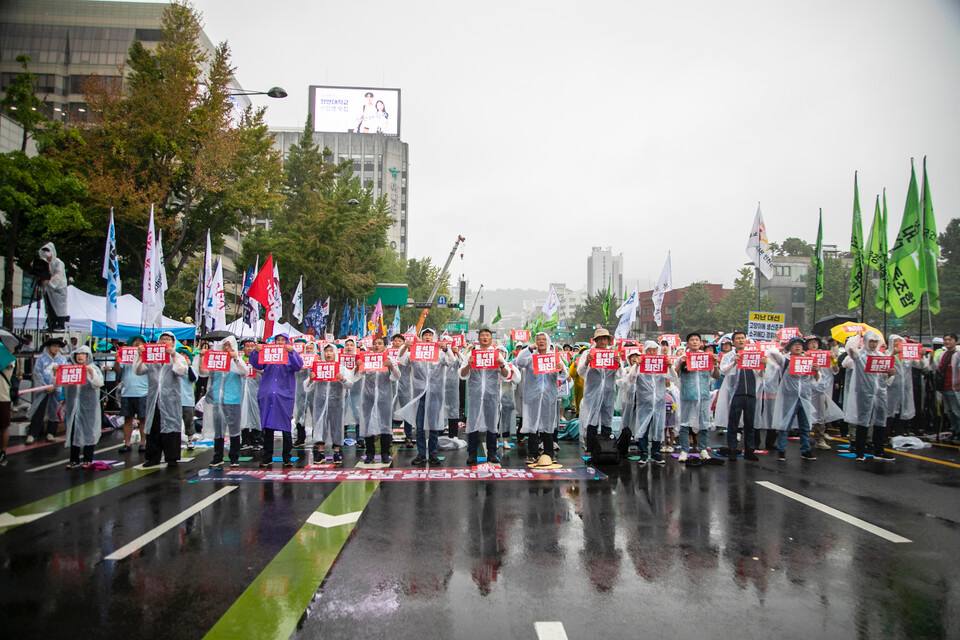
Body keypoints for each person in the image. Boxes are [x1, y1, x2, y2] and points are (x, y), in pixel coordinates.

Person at [396, 328, 456, 466]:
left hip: (435, 394)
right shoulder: (414, 352)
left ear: (434, 338)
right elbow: (401, 360)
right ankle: (421, 454)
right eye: (425, 335)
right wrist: (405, 346)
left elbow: (451, 362)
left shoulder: (440, 353)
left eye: (430, 335)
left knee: (434, 425)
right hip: (419, 395)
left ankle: (433, 454)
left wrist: (447, 349)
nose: (428, 337)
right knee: (420, 425)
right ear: (421, 338)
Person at [460, 328, 513, 466]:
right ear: (478, 338)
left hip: (491, 394)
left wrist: (501, 365)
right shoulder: (471, 354)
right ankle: (472, 454)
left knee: (492, 423)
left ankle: (492, 453)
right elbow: (462, 374)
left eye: (487, 335)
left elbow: (506, 374)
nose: (484, 337)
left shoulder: (496, 355)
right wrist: (469, 365)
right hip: (475, 394)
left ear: (491, 339)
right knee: (472, 423)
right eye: (482, 335)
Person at [249, 333, 303, 468]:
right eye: (277, 340)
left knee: (285, 427)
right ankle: (267, 456)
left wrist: (292, 353)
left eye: (283, 340)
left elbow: (298, 366)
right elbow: (256, 364)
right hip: (268, 394)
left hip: (284, 396)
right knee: (267, 426)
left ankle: (287, 457)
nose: (280, 343)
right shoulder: (269, 355)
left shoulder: (290, 355)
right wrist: (257, 351)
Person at [136, 332, 189, 467]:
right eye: (162, 339)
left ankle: (171, 457)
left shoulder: (177, 357)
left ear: (173, 342)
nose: (165, 341)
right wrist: (140, 355)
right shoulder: (151, 356)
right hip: (154, 398)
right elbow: (139, 370)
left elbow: (181, 371)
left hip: (170, 399)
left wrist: (173, 355)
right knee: (154, 427)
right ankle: (153, 457)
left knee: (171, 427)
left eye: (168, 339)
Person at [514, 332, 567, 464]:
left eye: (544, 339)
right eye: (538, 339)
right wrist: (529, 349)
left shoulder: (554, 357)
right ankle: (532, 454)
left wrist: (560, 370)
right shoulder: (531, 357)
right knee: (533, 425)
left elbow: (564, 375)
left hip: (549, 396)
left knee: (547, 425)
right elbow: (519, 362)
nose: (541, 341)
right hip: (533, 397)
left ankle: (549, 453)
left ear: (548, 341)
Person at [843, 332, 895, 461]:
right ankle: (860, 452)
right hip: (865, 393)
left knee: (881, 421)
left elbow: (885, 377)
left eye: (875, 342)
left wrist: (890, 373)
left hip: (880, 393)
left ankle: (879, 451)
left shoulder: (882, 356)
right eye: (871, 341)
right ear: (865, 341)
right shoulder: (860, 356)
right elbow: (850, 350)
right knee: (863, 421)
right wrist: (857, 337)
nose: (873, 344)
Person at [200, 336, 249, 468]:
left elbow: (245, 371)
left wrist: (235, 358)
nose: (226, 348)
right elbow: (203, 373)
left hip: (232, 399)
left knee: (234, 429)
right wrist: (202, 358)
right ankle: (218, 456)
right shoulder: (216, 360)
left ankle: (234, 457)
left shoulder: (236, 360)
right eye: (224, 345)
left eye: (229, 345)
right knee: (218, 430)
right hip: (217, 399)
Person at [767, 337, 819, 461]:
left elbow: (816, 379)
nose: (797, 347)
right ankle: (781, 450)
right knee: (785, 424)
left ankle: (805, 450)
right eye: (794, 345)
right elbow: (772, 353)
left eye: (800, 345)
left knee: (805, 426)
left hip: (805, 397)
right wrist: (781, 346)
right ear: (789, 347)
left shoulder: (808, 360)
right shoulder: (785, 360)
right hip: (789, 398)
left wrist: (816, 371)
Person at [715, 331, 764, 461]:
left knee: (750, 423)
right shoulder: (729, 355)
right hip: (735, 393)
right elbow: (723, 370)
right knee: (733, 422)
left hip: (751, 393)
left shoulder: (753, 355)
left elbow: (760, 373)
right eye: (738, 338)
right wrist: (734, 362)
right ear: (733, 341)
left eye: (743, 338)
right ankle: (732, 449)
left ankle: (749, 450)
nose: (741, 340)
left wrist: (763, 364)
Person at [52, 345, 103, 468]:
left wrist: (90, 372)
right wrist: (55, 372)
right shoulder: (70, 369)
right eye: (78, 354)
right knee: (74, 431)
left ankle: (88, 459)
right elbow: (57, 383)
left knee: (89, 432)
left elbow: (98, 383)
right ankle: (74, 460)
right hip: (73, 407)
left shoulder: (93, 368)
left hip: (89, 408)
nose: (80, 356)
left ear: (88, 356)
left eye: (83, 354)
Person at [622, 341, 670, 465]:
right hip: (644, 404)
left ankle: (656, 453)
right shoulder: (640, 365)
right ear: (645, 351)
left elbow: (670, 380)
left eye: (654, 350)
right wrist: (637, 366)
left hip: (659, 403)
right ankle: (643, 453)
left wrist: (669, 366)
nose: (652, 352)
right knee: (643, 428)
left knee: (658, 428)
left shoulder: (661, 365)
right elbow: (630, 380)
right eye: (649, 350)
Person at [306, 343, 355, 465]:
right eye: (326, 351)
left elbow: (350, 385)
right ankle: (320, 451)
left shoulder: (342, 368)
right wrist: (311, 379)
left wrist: (342, 379)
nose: (328, 354)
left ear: (335, 353)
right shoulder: (318, 367)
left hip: (337, 401)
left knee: (336, 425)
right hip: (320, 401)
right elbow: (307, 387)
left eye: (331, 351)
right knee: (319, 424)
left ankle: (337, 451)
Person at [577, 328, 621, 459]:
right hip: (592, 393)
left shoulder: (613, 354)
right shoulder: (587, 353)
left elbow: (621, 375)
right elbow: (580, 372)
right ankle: (591, 448)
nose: (603, 341)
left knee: (607, 418)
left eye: (605, 338)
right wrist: (587, 362)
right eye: (600, 339)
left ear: (608, 340)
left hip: (608, 392)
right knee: (591, 420)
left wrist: (619, 364)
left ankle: (607, 448)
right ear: (595, 341)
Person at [673, 332, 717, 462]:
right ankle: (684, 450)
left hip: (703, 395)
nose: (694, 342)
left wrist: (716, 363)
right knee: (684, 423)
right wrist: (681, 363)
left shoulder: (707, 358)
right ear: (688, 343)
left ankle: (703, 449)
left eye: (697, 340)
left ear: (701, 343)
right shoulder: (682, 357)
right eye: (692, 340)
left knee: (704, 423)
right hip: (688, 395)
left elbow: (715, 375)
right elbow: (675, 374)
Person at [357, 337, 400, 465]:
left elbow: (397, 376)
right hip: (368, 396)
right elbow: (357, 376)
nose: (377, 346)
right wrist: (359, 367)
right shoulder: (366, 358)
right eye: (375, 344)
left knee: (385, 425)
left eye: (380, 343)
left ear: (384, 346)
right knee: (367, 423)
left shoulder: (389, 358)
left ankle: (385, 453)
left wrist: (391, 366)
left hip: (384, 397)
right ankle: (369, 453)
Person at [27, 337, 68, 444]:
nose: (56, 348)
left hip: (57, 388)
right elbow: (37, 374)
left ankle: (51, 432)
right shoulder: (41, 359)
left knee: (54, 410)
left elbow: (64, 374)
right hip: (43, 388)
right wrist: (45, 386)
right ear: (49, 347)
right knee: (39, 410)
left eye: (58, 346)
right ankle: (32, 433)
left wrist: (55, 385)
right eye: (54, 346)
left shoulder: (62, 360)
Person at [806, 336, 842, 450]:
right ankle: (807, 438)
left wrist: (834, 359)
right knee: (808, 414)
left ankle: (820, 438)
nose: (813, 345)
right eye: (811, 343)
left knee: (821, 413)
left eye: (815, 342)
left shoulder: (826, 356)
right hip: (808, 389)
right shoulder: (805, 356)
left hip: (823, 389)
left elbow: (835, 370)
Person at [115, 335, 149, 453]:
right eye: (135, 342)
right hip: (127, 392)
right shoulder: (126, 355)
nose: (138, 344)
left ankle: (143, 443)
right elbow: (118, 371)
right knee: (127, 419)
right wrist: (117, 360)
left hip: (143, 391)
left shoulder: (147, 356)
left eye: (140, 342)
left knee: (143, 419)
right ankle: (127, 443)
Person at [391, 333, 415, 448]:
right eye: (395, 341)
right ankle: (387, 434)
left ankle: (409, 436)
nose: (397, 343)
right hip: (389, 387)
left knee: (407, 411)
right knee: (388, 411)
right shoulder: (387, 354)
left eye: (400, 341)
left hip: (405, 386)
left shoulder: (409, 355)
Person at [37, 242, 68, 330]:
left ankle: (60, 323)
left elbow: (58, 275)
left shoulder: (59, 263)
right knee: (49, 306)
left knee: (59, 307)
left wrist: (49, 281)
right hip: (48, 289)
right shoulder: (45, 263)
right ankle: (51, 323)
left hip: (59, 289)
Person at [935, 333, 960, 442]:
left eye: (949, 340)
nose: (947, 342)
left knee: (956, 411)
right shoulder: (943, 354)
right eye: (945, 340)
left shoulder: (958, 354)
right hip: (944, 387)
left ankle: (958, 432)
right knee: (949, 412)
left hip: (955, 387)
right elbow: (936, 367)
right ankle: (954, 430)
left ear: (955, 341)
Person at [239, 339, 263, 451]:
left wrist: (258, 370)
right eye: (247, 346)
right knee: (243, 414)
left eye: (251, 346)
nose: (249, 349)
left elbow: (265, 371)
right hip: (242, 390)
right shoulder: (239, 359)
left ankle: (257, 439)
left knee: (256, 414)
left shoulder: (260, 359)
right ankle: (245, 440)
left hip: (256, 389)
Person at [498, 345, 522, 451]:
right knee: (493, 419)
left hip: (506, 395)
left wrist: (511, 373)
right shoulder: (490, 366)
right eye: (498, 351)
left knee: (506, 419)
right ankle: (494, 440)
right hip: (493, 396)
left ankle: (505, 440)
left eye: (502, 352)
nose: (500, 354)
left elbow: (517, 379)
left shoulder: (510, 365)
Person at [292, 339, 314, 447]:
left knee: (316, 414)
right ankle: (300, 437)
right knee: (300, 414)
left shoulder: (318, 360)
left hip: (315, 393)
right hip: (301, 391)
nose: (309, 350)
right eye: (307, 348)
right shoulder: (299, 360)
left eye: (311, 348)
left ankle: (316, 437)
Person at [178, 345, 198, 451]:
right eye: (181, 355)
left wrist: (189, 366)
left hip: (188, 400)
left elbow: (193, 378)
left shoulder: (192, 368)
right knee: (175, 422)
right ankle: (175, 441)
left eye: (185, 355)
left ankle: (190, 440)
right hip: (175, 400)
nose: (183, 357)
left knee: (188, 421)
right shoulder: (174, 367)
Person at [0, 342, 17, 465]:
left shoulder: (9, 360)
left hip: (3, 397)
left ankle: (3, 452)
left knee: (4, 426)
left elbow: (8, 368)